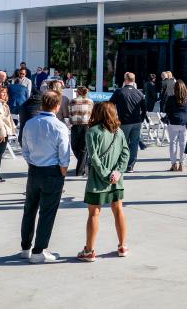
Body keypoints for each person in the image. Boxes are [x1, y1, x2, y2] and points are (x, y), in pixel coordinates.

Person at [19, 91, 71, 264]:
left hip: (34, 169)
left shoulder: (30, 123)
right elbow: (64, 155)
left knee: (29, 210)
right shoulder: (59, 126)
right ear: (57, 106)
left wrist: (32, 162)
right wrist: (62, 173)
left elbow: (24, 148)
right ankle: (39, 250)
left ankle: (26, 247)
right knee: (47, 212)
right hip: (52, 170)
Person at [77, 101, 130, 262]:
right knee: (118, 210)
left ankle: (89, 250)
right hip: (116, 179)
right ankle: (122, 246)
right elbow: (126, 153)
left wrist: (106, 174)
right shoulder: (118, 131)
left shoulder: (92, 132)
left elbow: (93, 158)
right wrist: (118, 172)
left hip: (98, 180)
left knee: (94, 213)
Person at [109, 72, 146, 173]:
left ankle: (122, 164)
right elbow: (144, 109)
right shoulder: (139, 93)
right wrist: (141, 119)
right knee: (134, 144)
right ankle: (130, 166)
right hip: (136, 122)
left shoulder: (119, 92)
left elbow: (110, 105)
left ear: (125, 80)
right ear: (134, 80)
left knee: (122, 143)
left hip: (124, 122)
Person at [165, 80, 187, 172]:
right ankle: (182, 164)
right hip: (184, 122)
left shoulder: (171, 98)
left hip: (173, 122)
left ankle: (173, 164)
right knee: (183, 143)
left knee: (173, 143)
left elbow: (166, 110)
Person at [69, 86, 93, 176]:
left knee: (75, 147)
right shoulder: (90, 101)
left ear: (78, 92)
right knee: (83, 149)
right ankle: (83, 165)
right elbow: (92, 112)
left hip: (75, 125)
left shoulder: (72, 101)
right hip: (87, 126)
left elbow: (70, 112)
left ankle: (79, 170)